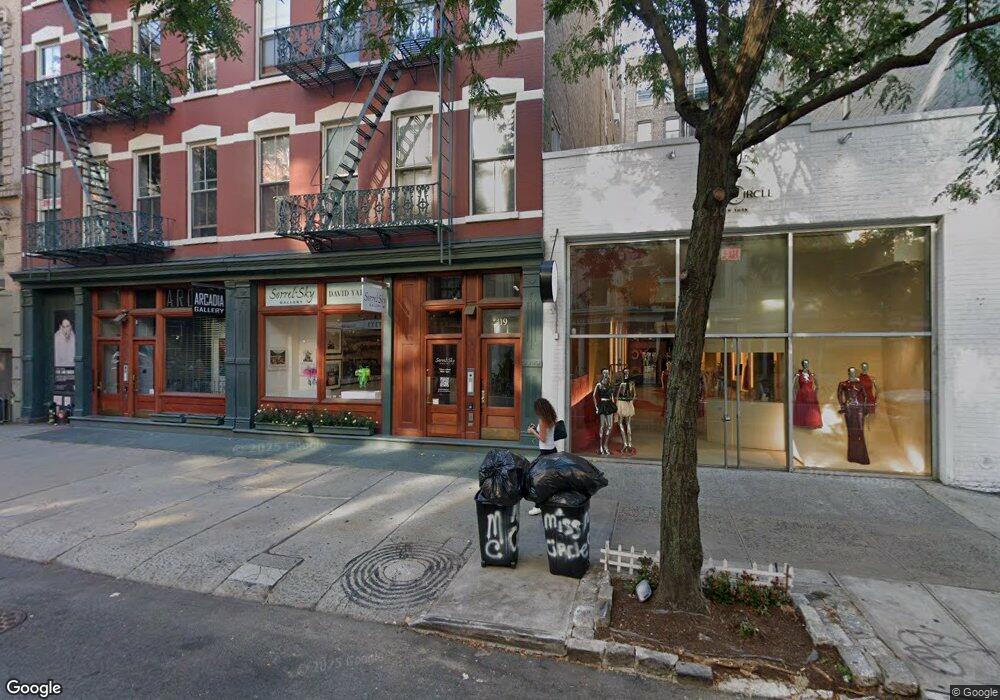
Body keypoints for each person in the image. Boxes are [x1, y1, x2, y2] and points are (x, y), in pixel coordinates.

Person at [526, 397, 559, 516]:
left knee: (539, 480)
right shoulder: (551, 417)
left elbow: (543, 439)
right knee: (549, 479)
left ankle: (538, 506)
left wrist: (532, 432)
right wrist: (537, 430)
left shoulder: (543, 420)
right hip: (552, 450)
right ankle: (550, 503)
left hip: (545, 453)